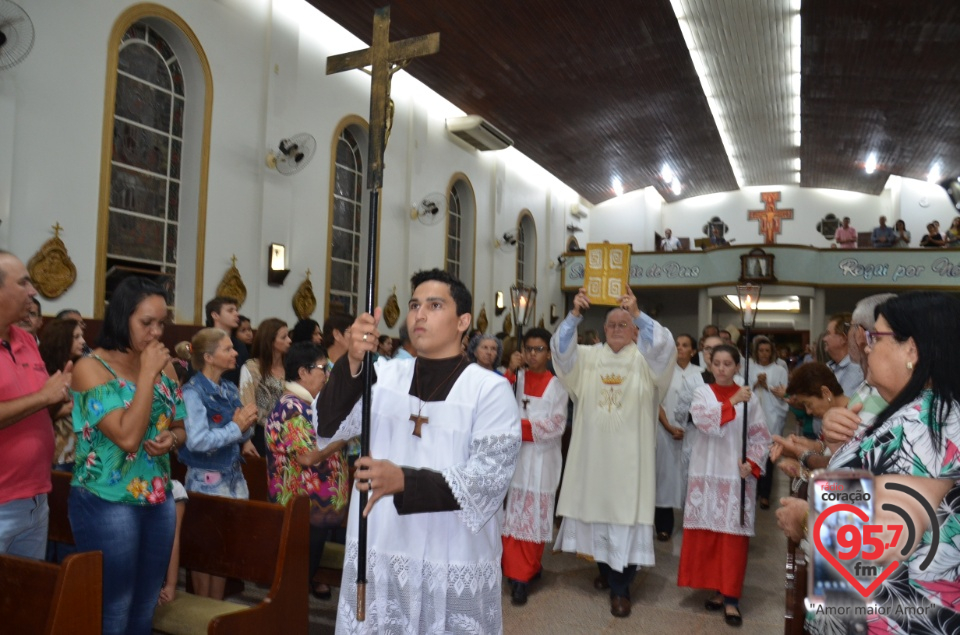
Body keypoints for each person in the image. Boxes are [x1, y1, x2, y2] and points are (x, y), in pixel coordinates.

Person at [317, 268, 521, 633]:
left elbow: (489, 478)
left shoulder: (488, 389)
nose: (419, 315)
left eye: (434, 305)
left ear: (463, 321)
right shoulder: (383, 376)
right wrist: (350, 363)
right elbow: (328, 426)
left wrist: (404, 480)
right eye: (414, 305)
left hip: (452, 545)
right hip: (383, 540)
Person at [776, 292, 960, 633]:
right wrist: (839, 445)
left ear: (912, 350)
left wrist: (804, 520)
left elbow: (875, 545)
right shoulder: (917, 413)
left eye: (877, 337)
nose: (867, 346)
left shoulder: (924, 430)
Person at [68, 276, 184, 635]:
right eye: (146, 323)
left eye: (161, 323)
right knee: (114, 607)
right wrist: (147, 375)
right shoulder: (90, 368)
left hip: (156, 496)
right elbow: (127, 437)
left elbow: (181, 426)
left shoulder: (164, 367)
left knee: (145, 603)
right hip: (106, 499)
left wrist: (172, 439)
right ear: (122, 318)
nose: (155, 332)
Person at [550, 286, 675, 618]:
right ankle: (606, 572)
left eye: (624, 324)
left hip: (631, 464)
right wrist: (575, 314)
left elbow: (664, 346)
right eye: (611, 324)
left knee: (626, 521)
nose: (617, 329)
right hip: (594, 459)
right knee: (598, 520)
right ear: (603, 330)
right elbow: (560, 354)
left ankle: (621, 588)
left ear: (635, 330)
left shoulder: (648, 362)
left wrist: (636, 311)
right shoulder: (589, 358)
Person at [679, 344, 770, 628]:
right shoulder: (702, 392)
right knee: (710, 533)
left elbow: (760, 436)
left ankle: (731, 598)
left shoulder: (750, 397)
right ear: (709, 364)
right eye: (716, 363)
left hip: (735, 474)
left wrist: (752, 463)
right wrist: (732, 400)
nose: (721, 369)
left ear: (737, 366)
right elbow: (704, 422)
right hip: (706, 470)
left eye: (727, 364)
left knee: (732, 537)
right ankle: (717, 589)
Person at [266, 342, 355, 601]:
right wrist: (345, 434)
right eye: (322, 368)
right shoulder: (292, 406)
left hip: (317, 510)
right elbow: (307, 456)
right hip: (303, 506)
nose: (326, 374)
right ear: (303, 372)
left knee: (304, 573)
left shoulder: (310, 404)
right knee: (296, 580)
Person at [0, 251, 72, 560]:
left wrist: (57, 400)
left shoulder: (27, 341)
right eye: (23, 282)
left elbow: (38, 410)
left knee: (25, 603)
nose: (32, 290)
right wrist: (44, 396)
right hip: (2, 502)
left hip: (36, 498)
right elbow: (38, 399)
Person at [179, 328, 257, 600]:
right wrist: (237, 427)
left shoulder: (228, 387)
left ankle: (216, 609)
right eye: (228, 349)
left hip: (233, 478)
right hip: (206, 480)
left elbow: (242, 434)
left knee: (224, 551)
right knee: (205, 552)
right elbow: (197, 441)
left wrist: (245, 427)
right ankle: (203, 612)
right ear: (209, 357)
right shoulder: (193, 392)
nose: (235, 352)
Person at [501, 327, 568, 606]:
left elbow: (555, 426)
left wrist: (516, 427)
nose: (532, 354)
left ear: (549, 353)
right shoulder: (516, 378)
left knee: (532, 516)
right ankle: (514, 570)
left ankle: (524, 575)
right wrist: (508, 372)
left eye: (538, 349)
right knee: (512, 516)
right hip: (516, 459)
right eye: (528, 348)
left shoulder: (558, 385)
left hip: (541, 459)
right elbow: (496, 405)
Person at [654, 334, 702, 541]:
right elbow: (655, 401)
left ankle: (694, 523)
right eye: (677, 345)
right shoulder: (664, 373)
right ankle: (663, 524)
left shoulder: (700, 374)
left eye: (685, 346)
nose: (680, 348)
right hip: (665, 431)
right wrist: (668, 426)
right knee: (664, 479)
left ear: (693, 351)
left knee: (691, 478)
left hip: (694, 434)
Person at [38, 319, 86, 471]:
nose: (83, 341)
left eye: (82, 336)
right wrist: (63, 409)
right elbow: (40, 414)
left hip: (81, 451)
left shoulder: (83, 368)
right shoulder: (45, 374)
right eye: (76, 337)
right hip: (58, 452)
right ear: (61, 340)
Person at [747, 335, 788, 510]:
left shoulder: (780, 370)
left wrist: (768, 388)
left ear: (772, 353)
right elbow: (744, 388)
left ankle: (765, 494)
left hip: (772, 417)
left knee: (769, 458)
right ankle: (753, 490)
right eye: (761, 351)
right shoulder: (749, 368)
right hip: (752, 417)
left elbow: (783, 395)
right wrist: (756, 384)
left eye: (767, 351)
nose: (764, 354)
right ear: (756, 352)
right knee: (753, 455)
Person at [239, 318, 290, 456]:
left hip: (289, 435)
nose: (289, 341)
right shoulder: (252, 368)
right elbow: (246, 404)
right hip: (261, 434)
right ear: (271, 341)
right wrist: (246, 440)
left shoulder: (291, 368)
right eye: (284, 337)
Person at [204, 296, 247, 386]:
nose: (236, 314)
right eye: (230, 311)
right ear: (215, 315)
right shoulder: (204, 342)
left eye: (236, 310)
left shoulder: (240, 346)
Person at [822, 313, 863, 397]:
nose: (824, 339)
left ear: (843, 339)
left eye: (828, 334)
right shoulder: (830, 366)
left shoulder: (855, 370)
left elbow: (842, 403)